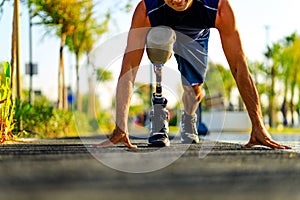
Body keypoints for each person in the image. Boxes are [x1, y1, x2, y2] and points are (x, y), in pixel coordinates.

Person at [94, 0, 291, 149]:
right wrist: (121, 127)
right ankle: (158, 109)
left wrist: (258, 125)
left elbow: (239, 67)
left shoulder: (218, 7)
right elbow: (129, 69)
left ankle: (188, 118)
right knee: (159, 39)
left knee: (194, 89)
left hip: (195, 38)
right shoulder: (147, 9)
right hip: (162, 34)